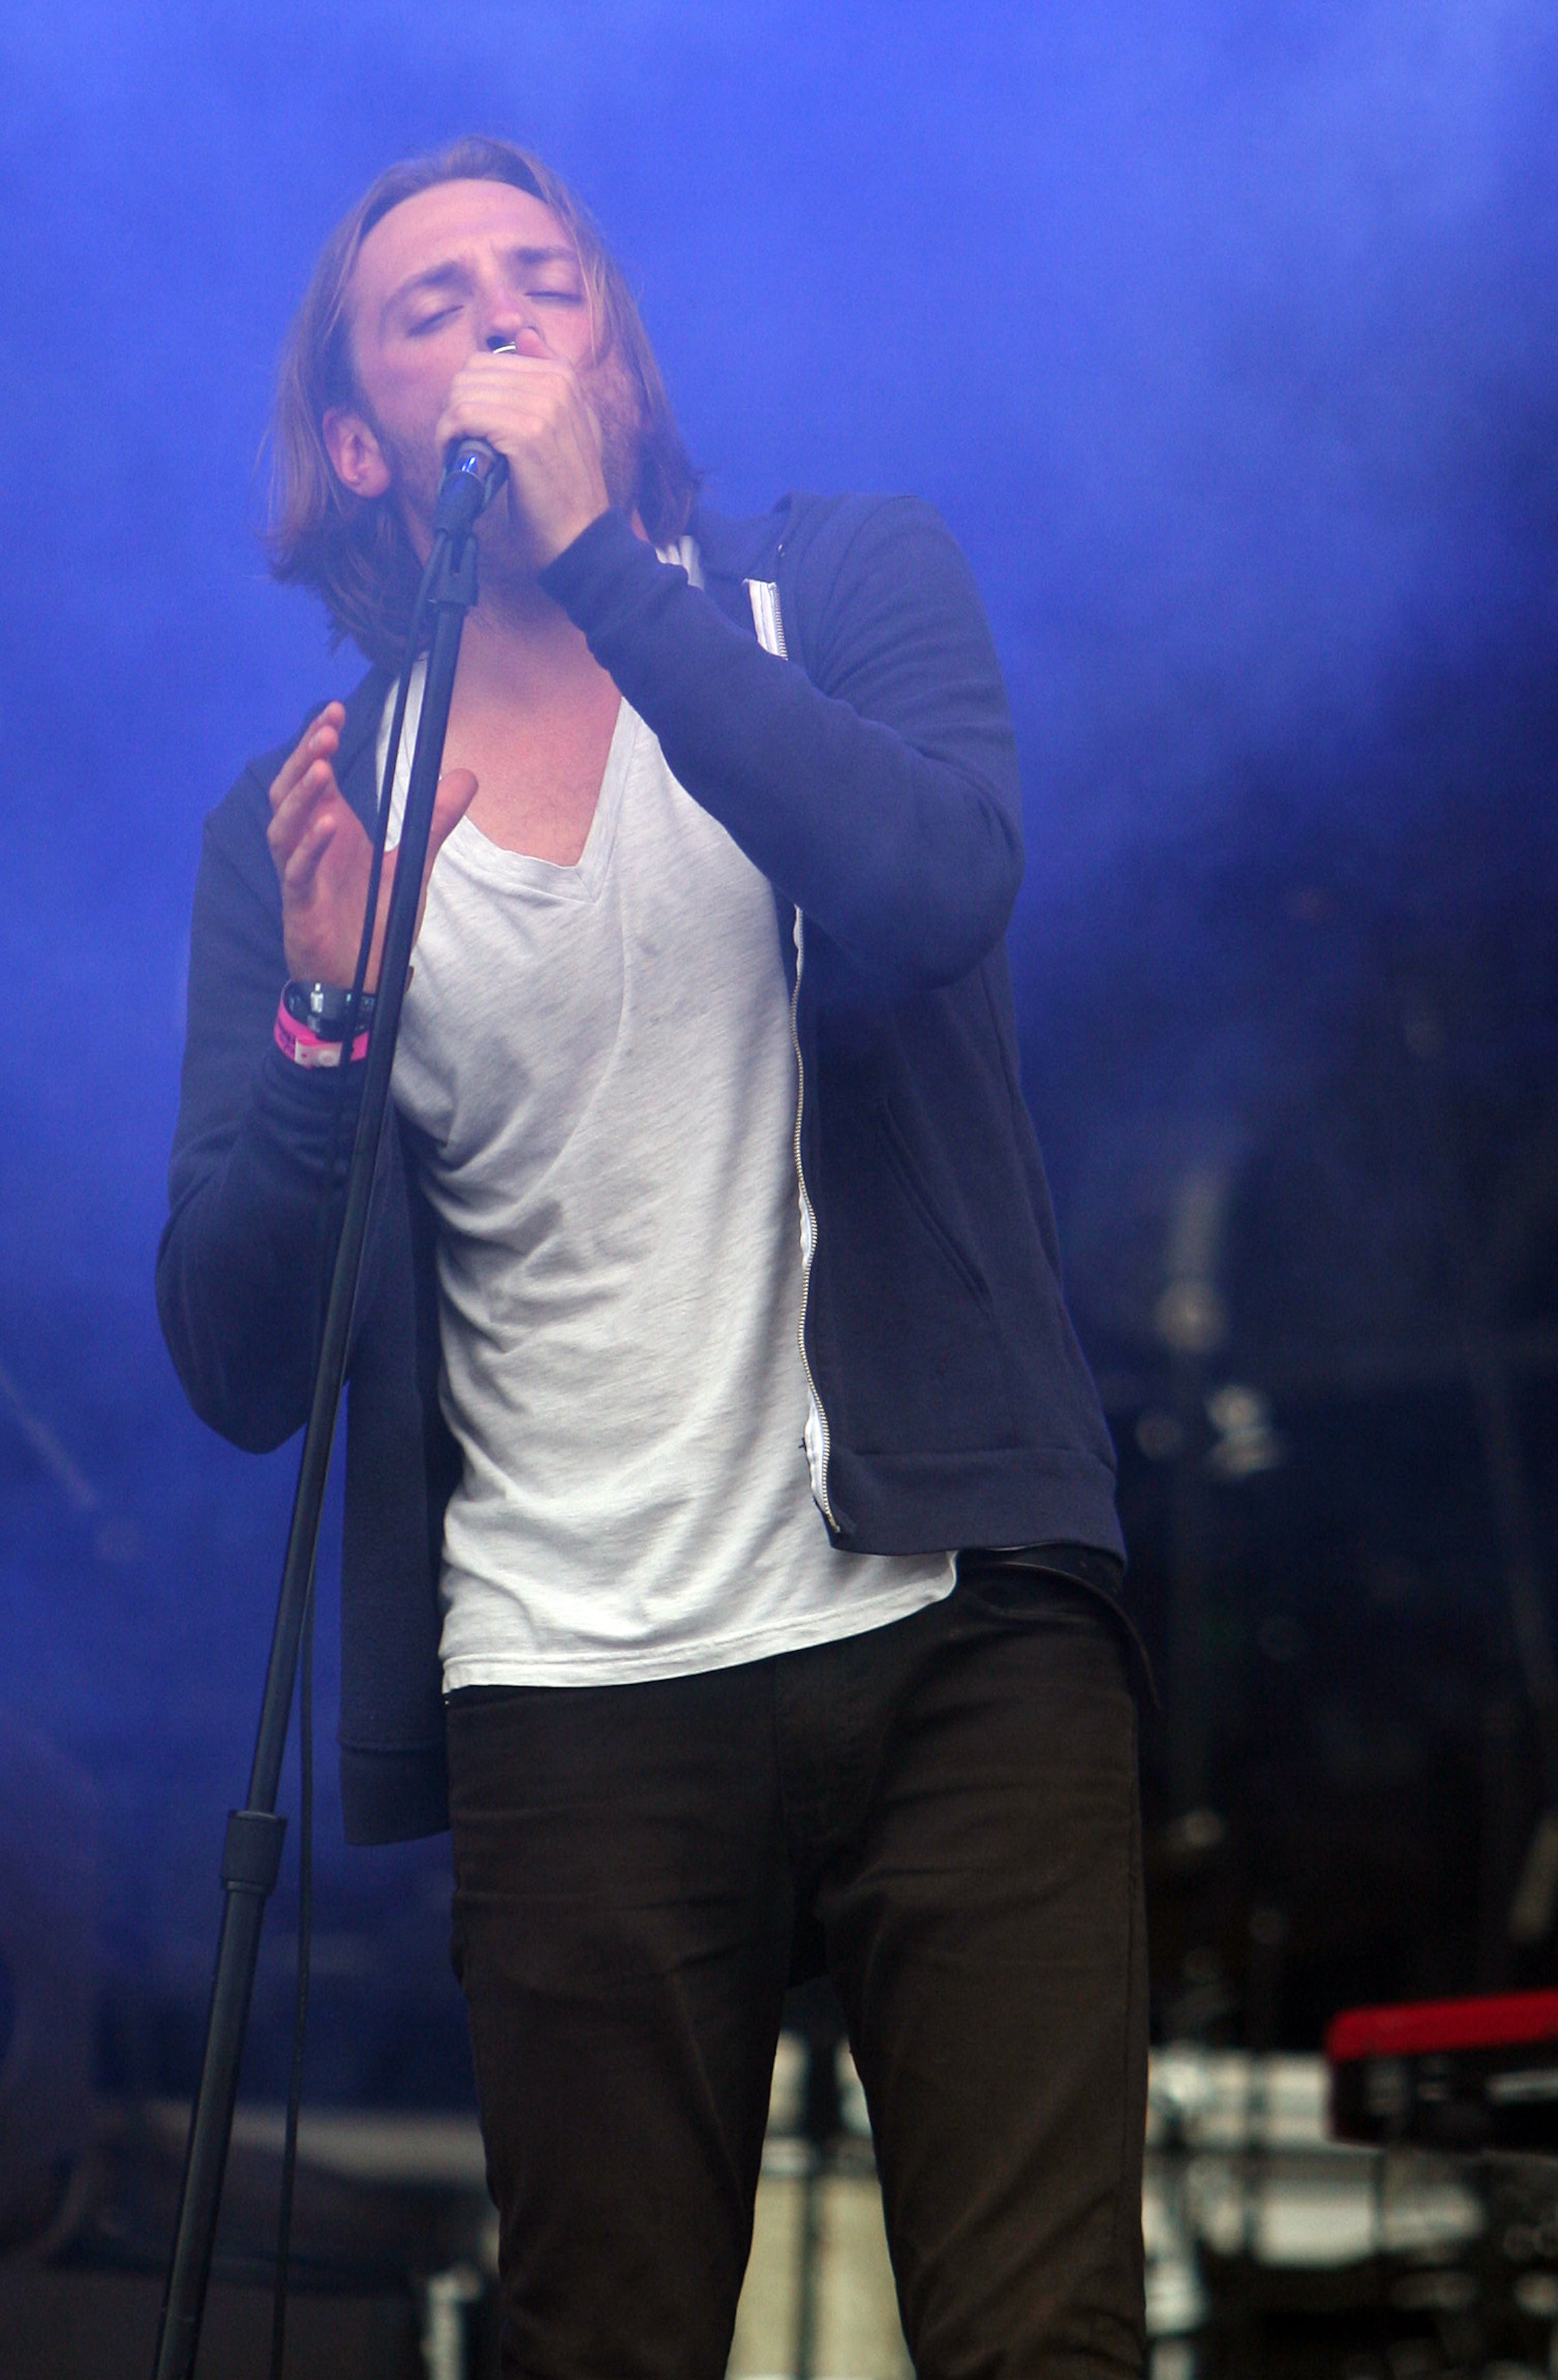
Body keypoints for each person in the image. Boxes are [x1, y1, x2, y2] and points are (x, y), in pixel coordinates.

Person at [158, 135, 1146, 2377]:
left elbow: (931, 892)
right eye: (435, 308)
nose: (505, 320)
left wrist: (605, 563)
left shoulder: (845, 586)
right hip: (573, 1696)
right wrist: (329, 1020)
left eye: (546, 282)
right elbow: (235, 1357)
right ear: (353, 438)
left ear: (613, 353)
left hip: (946, 1631)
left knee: (1044, 2343)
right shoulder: (298, 817)